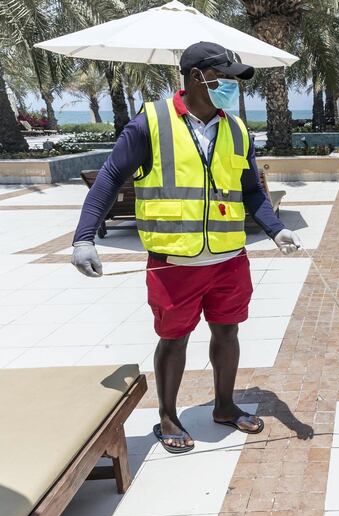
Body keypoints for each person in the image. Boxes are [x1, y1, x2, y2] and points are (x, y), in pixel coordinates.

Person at [70, 42, 305, 454]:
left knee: (227, 330)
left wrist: (275, 230)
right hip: (174, 261)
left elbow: (251, 189)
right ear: (199, 77)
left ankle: (225, 405)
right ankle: (168, 415)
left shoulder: (236, 129)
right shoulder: (152, 122)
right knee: (174, 338)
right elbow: (108, 178)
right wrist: (84, 238)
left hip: (229, 258)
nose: (232, 85)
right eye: (226, 77)